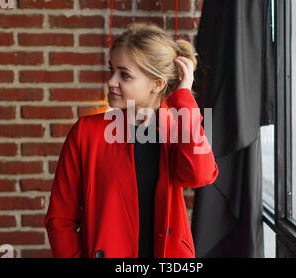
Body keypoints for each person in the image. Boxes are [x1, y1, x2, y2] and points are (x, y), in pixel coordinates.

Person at [44, 23, 219, 258]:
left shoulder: (177, 128)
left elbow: (200, 174)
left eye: (124, 75)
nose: (111, 81)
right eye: (112, 71)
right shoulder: (86, 133)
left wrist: (184, 97)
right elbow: (60, 219)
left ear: (157, 84)